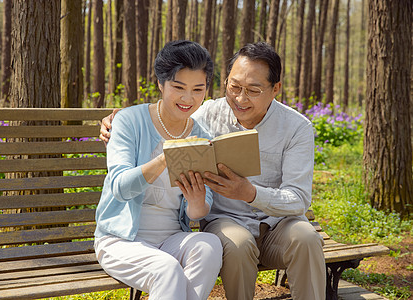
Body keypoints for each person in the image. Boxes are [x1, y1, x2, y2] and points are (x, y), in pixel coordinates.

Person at [100, 41, 326, 300]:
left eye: (253, 90)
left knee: (306, 238)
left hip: (278, 225)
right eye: (234, 86)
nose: (241, 99)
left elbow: (298, 199)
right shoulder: (205, 114)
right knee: (235, 244)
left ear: (275, 89)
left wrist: (251, 193)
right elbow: (174, 105)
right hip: (226, 223)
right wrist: (115, 120)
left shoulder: (297, 128)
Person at [94, 40, 223, 300]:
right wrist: (165, 158)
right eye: (178, 87)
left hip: (171, 239)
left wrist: (197, 202)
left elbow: (198, 212)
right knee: (166, 270)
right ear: (160, 84)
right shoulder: (129, 121)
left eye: (198, 89)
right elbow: (119, 187)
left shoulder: (201, 136)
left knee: (209, 245)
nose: (188, 99)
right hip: (121, 241)